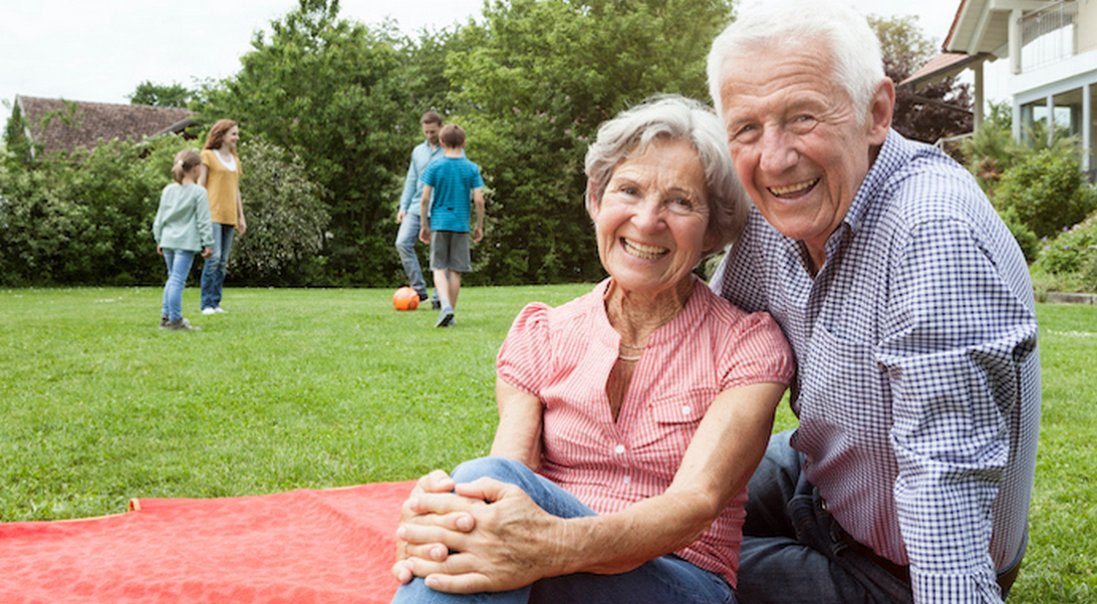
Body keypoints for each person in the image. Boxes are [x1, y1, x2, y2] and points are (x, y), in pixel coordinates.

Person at [391, 95, 795, 603]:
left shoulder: (748, 346)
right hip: (546, 576)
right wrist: (450, 522)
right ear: (596, 201)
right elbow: (504, 477)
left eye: (680, 201)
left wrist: (549, 546)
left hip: (679, 582)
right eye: (628, 190)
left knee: (475, 498)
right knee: (478, 487)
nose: (647, 221)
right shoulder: (541, 334)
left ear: (714, 228)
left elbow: (696, 502)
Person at [704, 2, 1041, 602]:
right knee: (631, 507)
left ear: (877, 112)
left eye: (803, 116)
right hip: (821, 478)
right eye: (747, 128)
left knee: (667, 577)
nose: (774, 157)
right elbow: (703, 343)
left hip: (896, 568)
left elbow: (946, 478)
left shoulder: (931, 232)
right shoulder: (775, 208)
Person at [418, 124, 486, 328]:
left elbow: (424, 198)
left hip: (439, 223)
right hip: (461, 224)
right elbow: (479, 200)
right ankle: (451, 313)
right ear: (464, 143)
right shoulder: (471, 168)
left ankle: (445, 307)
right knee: (456, 271)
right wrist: (479, 225)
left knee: (438, 268)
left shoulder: (435, 166)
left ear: (441, 142)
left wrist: (424, 224)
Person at [153, 149, 213, 331]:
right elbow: (203, 220)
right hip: (185, 243)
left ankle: (166, 316)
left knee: (172, 278)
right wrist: (208, 242)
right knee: (178, 280)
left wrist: (159, 239)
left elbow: (160, 218)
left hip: (168, 240)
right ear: (196, 168)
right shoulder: (198, 192)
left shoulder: (168, 190)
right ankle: (176, 320)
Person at [396, 111, 446, 309]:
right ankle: (419, 290)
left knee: (439, 254)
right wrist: (403, 207)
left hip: (441, 208)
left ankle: (438, 298)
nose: (429, 135)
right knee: (402, 243)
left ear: (441, 128)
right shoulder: (418, 151)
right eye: (426, 132)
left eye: (432, 132)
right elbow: (411, 180)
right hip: (417, 207)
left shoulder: (451, 150)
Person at [198, 119, 246, 315]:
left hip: (230, 215)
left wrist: (241, 217)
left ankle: (216, 303)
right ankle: (206, 304)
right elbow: (201, 185)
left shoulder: (235, 161)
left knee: (223, 261)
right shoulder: (207, 156)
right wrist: (199, 212)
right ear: (222, 135)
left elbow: (236, 191)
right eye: (233, 133)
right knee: (214, 257)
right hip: (212, 213)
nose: (237, 137)